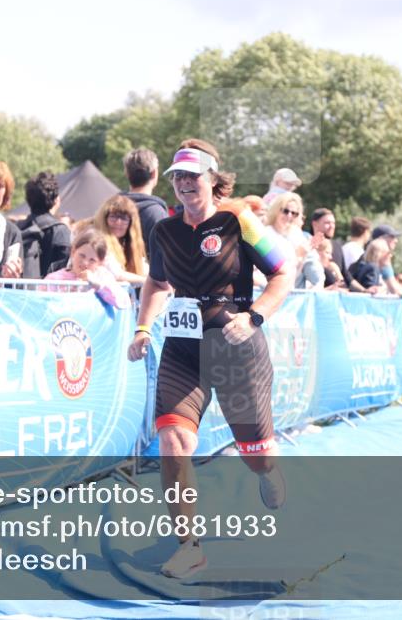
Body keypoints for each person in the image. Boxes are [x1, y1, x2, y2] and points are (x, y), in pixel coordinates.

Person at [126, 139, 292, 579]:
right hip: (184, 350)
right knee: (173, 442)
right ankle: (190, 545)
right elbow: (156, 283)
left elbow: (282, 272)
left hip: (237, 349)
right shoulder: (164, 229)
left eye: (191, 176)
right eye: (177, 177)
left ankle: (266, 468)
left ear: (212, 180)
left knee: (257, 455)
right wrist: (143, 328)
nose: (183, 184)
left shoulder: (238, 219)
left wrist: (255, 316)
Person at [41, 228, 130, 309]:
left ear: (100, 262)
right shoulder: (55, 278)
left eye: (92, 260)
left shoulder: (102, 276)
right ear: (73, 252)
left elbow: (124, 303)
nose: (85, 263)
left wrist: (98, 286)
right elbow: (40, 303)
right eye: (82, 256)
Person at [18, 171, 71, 278]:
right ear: (56, 199)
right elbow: (62, 268)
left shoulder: (17, 228)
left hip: (20, 291)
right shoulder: (60, 231)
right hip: (48, 291)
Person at [121, 148, 169, 258]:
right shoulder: (156, 213)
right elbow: (164, 258)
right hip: (145, 274)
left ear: (127, 174)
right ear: (154, 173)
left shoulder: (110, 208)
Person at [93, 195, 148, 285]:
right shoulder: (96, 240)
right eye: (113, 216)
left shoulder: (126, 244)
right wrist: (149, 282)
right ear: (104, 218)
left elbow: (144, 269)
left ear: (131, 222)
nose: (118, 222)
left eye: (124, 218)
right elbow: (117, 275)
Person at [309, 208, 350, 288]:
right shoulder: (307, 245)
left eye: (333, 223)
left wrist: (364, 290)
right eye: (327, 223)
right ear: (315, 224)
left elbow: (346, 275)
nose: (332, 226)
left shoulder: (337, 246)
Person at [370, 225, 402, 298]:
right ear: (381, 239)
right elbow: (394, 289)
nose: (396, 241)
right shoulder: (383, 258)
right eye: (392, 237)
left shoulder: (368, 256)